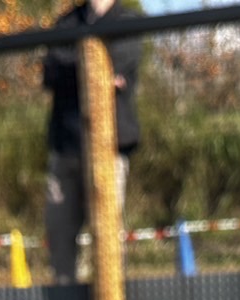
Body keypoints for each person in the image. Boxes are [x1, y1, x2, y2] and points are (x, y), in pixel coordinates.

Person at [42, 0, 141, 285]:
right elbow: (51, 72)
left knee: (108, 237)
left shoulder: (127, 22)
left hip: (110, 150)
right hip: (65, 148)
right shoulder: (66, 23)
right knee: (60, 235)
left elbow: (117, 66)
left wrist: (77, 63)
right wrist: (92, 67)